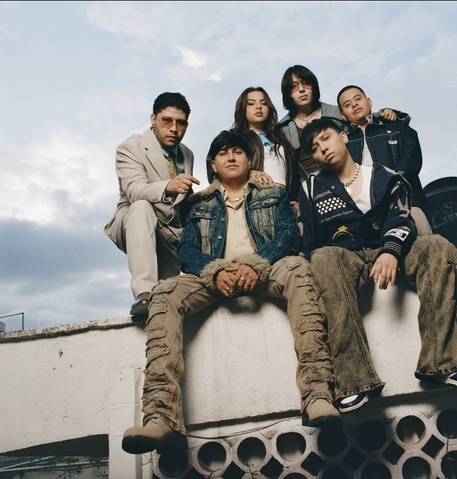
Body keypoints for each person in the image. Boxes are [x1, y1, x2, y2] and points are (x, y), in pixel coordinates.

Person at [121, 131, 339, 455]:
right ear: (213, 164)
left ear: (249, 160)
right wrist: (215, 271)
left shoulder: (274, 193)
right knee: (164, 292)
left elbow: (287, 236)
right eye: (223, 153)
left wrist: (256, 264)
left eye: (238, 152)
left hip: (266, 269)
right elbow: (187, 252)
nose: (231, 157)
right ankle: (161, 417)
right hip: (216, 275)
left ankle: (318, 393)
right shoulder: (198, 203)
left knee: (298, 269)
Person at [297, 118, 457, 414]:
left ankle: (447, 363)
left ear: (344, 136)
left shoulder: (383, 175)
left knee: (437, 246)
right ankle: (354, 383)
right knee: (322, 258)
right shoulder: (311, 187)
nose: (322, 148)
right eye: (314, 148)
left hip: (388, 245)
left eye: (326, 138)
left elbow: (401, 217)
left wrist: (391, 251)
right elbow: (310, 243)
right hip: (344, 257)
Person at [104, 92, 200, 318]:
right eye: (167, 121)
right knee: (141, 207)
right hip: (135, 221)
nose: (174, 128)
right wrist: (168, 186)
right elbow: (135, 190)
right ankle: (143, 294)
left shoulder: (187, 154)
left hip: (171, 229)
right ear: (153, 119)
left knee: (166, 299)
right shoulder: (130, 147)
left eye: (181, 123)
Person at [337, 84, 431, 235]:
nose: (354, 104)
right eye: (347, 105)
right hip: (363, 211)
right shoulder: (343, 141)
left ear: (369, 102)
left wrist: (393, 183)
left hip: (405, 200)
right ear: (343, 116)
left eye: (358, 99)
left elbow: (411, 157)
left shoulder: (396, 126)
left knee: (425, 239)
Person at [277, 65, 399, 180]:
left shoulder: (337, 113)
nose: (301, 89)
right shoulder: (283, 129)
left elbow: (362, 119)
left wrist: (383, 114)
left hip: (351, 179)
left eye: (306, 83)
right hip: (315, 187)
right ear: (287, 93)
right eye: (294, 87)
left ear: (314, 87)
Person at [230, 86, 300, 201]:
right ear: (242, 108)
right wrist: (246, 173)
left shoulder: (281, 137)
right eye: (251, 103)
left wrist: (297, 201)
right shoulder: (234, 137)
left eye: (263, 103)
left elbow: (295, 174)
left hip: (284, 201)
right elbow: (215, 168)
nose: (258, 107)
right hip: (254, 200)